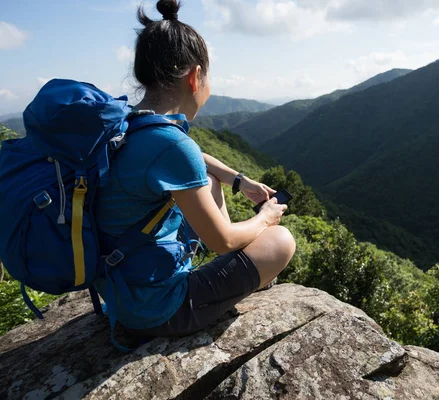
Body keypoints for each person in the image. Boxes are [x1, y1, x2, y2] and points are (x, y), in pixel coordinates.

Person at [94, 0, 296, 338]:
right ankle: (236, 275)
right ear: (195, 76)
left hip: (120, 285)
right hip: (157, 309)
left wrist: (238, 180)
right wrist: (266, 217)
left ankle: (232, 270)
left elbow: (194, 158)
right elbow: (223, 240)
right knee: (281, 242)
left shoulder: (128, 123)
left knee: (212, 179)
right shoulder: (171, 144)